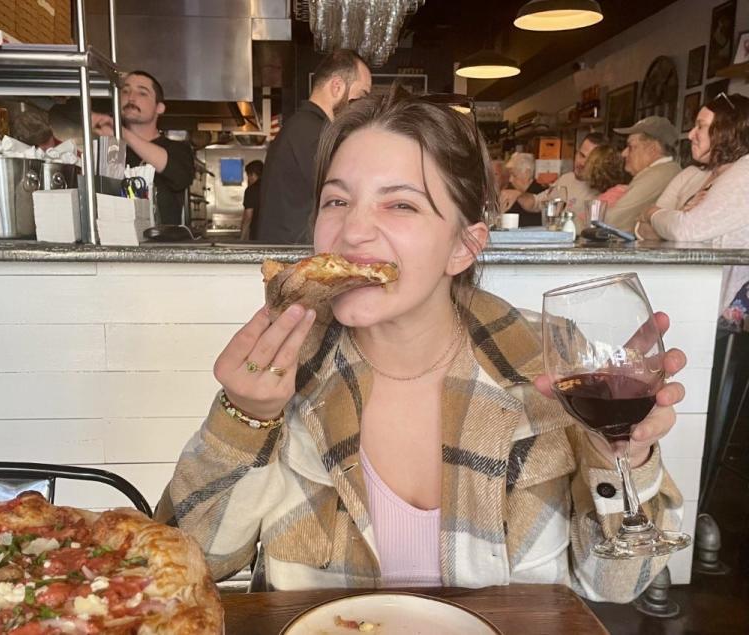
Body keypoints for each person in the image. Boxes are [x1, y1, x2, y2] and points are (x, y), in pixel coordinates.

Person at [155, 86, 688, 600]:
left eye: (401, 206)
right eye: (336, 200)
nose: (353, 232)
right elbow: (192, 563)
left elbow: (617, 584)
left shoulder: (549, 361)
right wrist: (244, 418)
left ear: (463, 247)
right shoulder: (286, 367)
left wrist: (625, 456)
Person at [636, 93, 749, 329]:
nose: (690, 135)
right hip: (690, 292)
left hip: (714, 308)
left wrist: (652, 213)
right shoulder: (713, 174)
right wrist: (665, 222)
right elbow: (647, 229)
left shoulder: (745, 172)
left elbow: (683, 229)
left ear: (727, 131)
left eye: (701, 127)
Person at [256, 50, 372, 244]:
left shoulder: (301, 127)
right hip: (293, 256)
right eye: (361, 95)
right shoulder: (313, 132)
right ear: (336, 87)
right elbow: (350, 192)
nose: (361, 106)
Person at [92, 70, 195, 226]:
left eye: (142, 93)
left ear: (159, 108)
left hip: (162, 248)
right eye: (125, 91)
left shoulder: (178, 150)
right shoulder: (108, 149)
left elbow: (180, 176)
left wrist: (121, 133)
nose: (131, 97)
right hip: (115, 244)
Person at [603, 116, 681, 232]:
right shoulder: (666, 171)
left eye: (630, 147)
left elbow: (611, 222)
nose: (624, 154)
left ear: (652, 149)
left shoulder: (657, 175)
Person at [507, 133, 605, 220]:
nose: (582, 163)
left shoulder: (603, 187)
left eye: (590, 160)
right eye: (582, 155)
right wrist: (518, 195)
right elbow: (537, 203)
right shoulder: (566, 179)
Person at [499, 152, 545, 226]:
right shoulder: (510, 191)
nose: (510, 180)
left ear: (527, 173)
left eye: (514, 175)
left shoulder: (540, 194)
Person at [240, 160, 264, 241]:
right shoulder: (271, 187)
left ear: (253, 174)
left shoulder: (251, 190)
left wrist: (242, 238)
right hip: (275, 235)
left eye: (248, 176)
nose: (248, 179)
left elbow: (248, 217)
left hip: (258, 234)